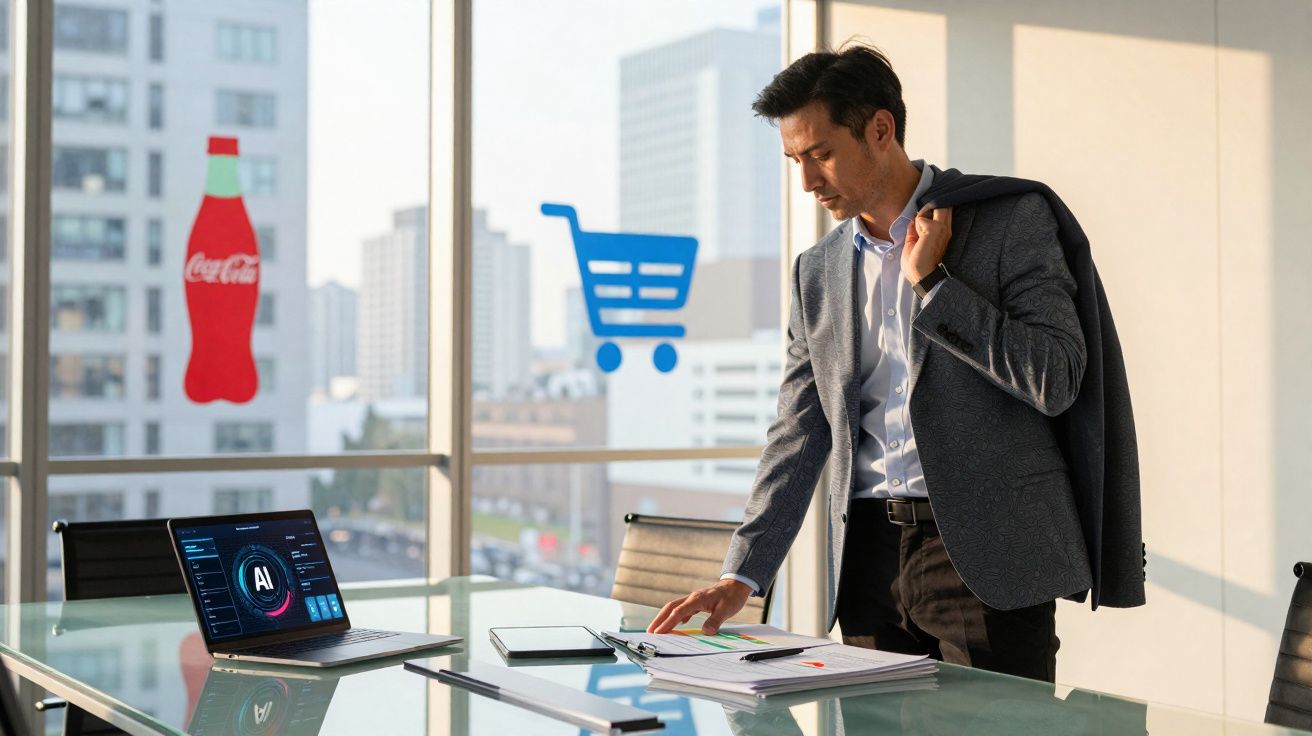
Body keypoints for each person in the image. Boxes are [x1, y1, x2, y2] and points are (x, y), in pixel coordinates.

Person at [647, 45, 1145, 682]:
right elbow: (800, 431)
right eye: (794, 160)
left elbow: (1056, 378)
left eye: (821, 153)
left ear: (880, 130)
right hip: (867, 561)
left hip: (985, 554)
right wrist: (740, 575)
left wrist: (935, 286)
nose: (806, 181)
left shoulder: (1011, 220)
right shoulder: (818, 272)